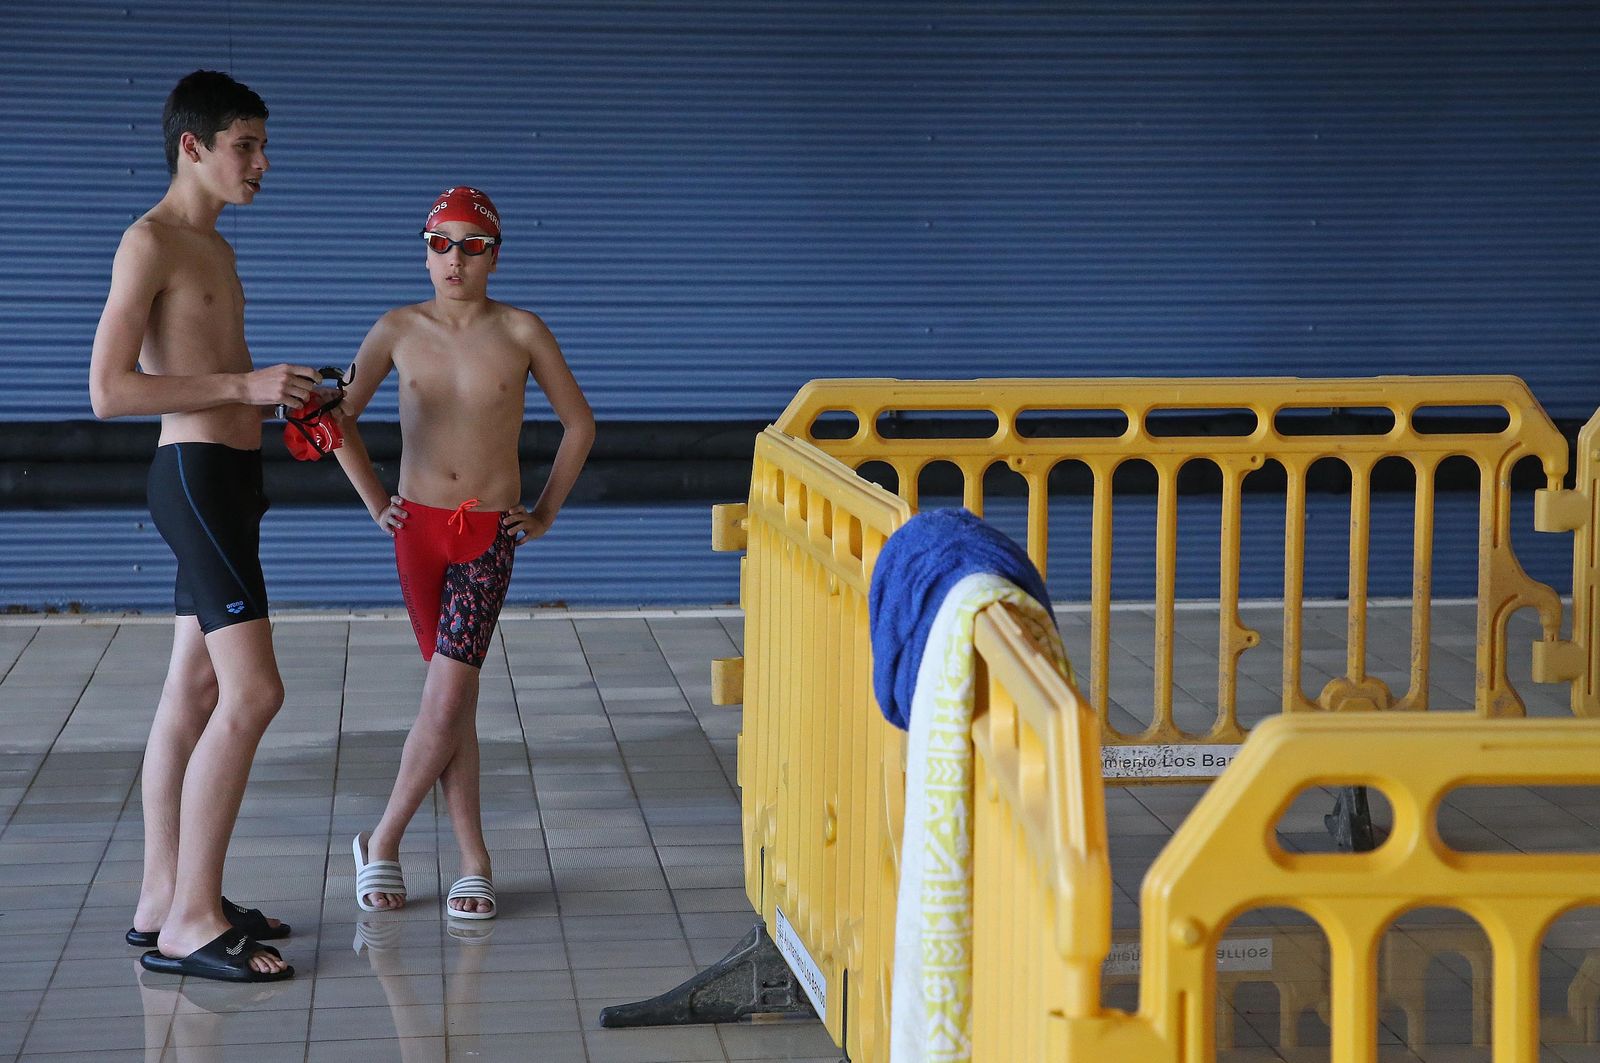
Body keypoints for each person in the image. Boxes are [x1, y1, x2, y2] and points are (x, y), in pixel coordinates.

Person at [88, 70, 314, 982]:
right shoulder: (151, 242)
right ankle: (190, 921)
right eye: (245, 147)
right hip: (195, 480)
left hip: (231, 477)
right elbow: (110, 392)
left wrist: (290, 396)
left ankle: (162, 898)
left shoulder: (214, 248)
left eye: (263, 147)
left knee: (192, 693)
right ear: (193, 146)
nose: (262, 164)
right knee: (254, 694)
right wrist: (242, 388)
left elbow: (226, 369)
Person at [333, 185, 594, 918]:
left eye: (471, 245)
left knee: (448, 692)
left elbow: (579, 424)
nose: (455, 258)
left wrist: (544, 510)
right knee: (456, 696)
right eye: (440, 243)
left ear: (495, 256)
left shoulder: (522, 332)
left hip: (486, 534)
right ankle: (473, 854)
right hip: (415, 532)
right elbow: (336, 418)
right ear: (424, 250)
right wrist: (372, 496)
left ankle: (382, 840)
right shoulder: (394, 329)